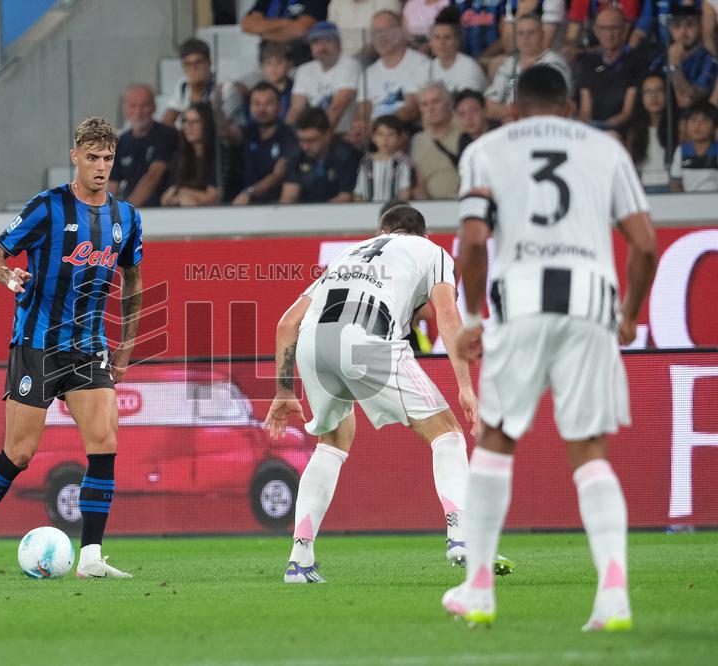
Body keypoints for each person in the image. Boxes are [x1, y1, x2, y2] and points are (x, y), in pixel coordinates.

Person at [445, 65, 657, 631]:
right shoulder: (606, 149)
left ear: (514, 111)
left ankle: (479, 587)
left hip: (520, 304)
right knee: (589, 449)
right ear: (569, 108)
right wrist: (629, 314)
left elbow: (472, 241)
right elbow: (644, 244)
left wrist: (472, 319)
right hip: (591, 305)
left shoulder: (486, 150)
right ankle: (613, 594)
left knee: (496, 439)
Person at [263, 204, 513, 583]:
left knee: (333, 441)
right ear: (423, 234)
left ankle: (299, 560)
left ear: (382, 231)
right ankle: (463, 536)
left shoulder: (348, 254)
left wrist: (284, 390)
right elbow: (447, 314)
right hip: (365, 338)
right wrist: (465, 385)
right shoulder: (432, 251)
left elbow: (287, 323)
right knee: (446, 433)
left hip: (313, 343)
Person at [0, 117, 144, 581]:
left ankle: (91, 556)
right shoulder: (47, 207)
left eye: (107, 158)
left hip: (89, 347)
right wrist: (9, 276)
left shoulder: (127, 218)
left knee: (105, 442)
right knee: (19, 453)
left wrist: (126, 347)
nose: (100, 167)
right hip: (37, 345)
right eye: (91, 157)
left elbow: (132, 284)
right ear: (75, 157)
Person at [352, 10, 431, 143]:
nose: (381, 37)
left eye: (386, 31)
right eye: (376, 33)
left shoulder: (421, 64)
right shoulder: (369, 72)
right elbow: (363, 109)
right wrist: (360, 125)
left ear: (401, 31)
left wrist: (378, 126)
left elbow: (412, 109)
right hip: (373, 135)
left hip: (405, 131)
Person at [485, 14, 572, 123]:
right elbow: (488, 103)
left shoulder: (554, 63)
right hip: (510, 123)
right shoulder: (510, 63)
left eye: (531, 32)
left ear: (542, 35)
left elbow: (545, 107)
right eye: (520, 33)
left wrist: (511, 113)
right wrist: (509, 112)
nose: (525, 38)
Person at [286, 21, 362, 134]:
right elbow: (296, 109)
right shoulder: (304, 70)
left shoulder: (349, 64)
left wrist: (319, 137)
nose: (321, 47)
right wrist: (287, 135)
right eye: (316, 42)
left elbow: (338, 107)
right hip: (314, 134)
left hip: (342, 133)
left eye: (327, 41)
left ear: (339, 43)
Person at [109, 84, 179, 208]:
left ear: (154, 107)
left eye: (144, 106)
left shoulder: (167, 134)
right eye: (133, 106)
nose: (138, 112)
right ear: (124, 109)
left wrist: (127, 211)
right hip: (134, 210)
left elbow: (153, 177)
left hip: (164, 210)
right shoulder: (121, 141)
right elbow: (112, 184)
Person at [231, 83, 298, 204]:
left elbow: (278, 174)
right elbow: (224, 131)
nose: (262, 109)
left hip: (277, 205)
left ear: (280, 106)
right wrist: (217, 105)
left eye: (268, 103)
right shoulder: (248, 132)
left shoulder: (289, 136)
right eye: (257, 104)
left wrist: (249, 192)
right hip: (246, 204)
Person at [280, 107, 362, 203]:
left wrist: (318, 211)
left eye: (311, 140)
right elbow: (289, 196)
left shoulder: (346, 155)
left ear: (327, 135)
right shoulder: (297, 155)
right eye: (301, 140)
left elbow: (345, 198)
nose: (305, 146)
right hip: (304, 209)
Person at [576, 8, 639, 130]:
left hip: (621, 129)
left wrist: (605, 128)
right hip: (593, 128)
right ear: (595, 31)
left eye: (614, 28)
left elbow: (627, 112)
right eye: (603, 28)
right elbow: (585, 109)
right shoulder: (587, 63)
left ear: (624, 29)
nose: (609, 34)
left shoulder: (635, 61)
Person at [162, 38, 243, 128]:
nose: (193, 68)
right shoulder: (183, 84)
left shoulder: (227, 88)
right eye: (188, 64)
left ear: (209, 62)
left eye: (198, 62)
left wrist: (196, 92)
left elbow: (209, 126)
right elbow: (167, 119)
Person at [648, 5, 718, 109]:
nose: (683, 31)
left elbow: (688, 100)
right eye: (677, 25)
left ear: (700, 27)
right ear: (669, 28)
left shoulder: (709, 59)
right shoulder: (660, 57)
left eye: (690, 24)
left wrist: (675, 65)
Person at [625, 73, 682, 192]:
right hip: (643, 190)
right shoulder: (634, 131)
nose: (653, 96)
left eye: (659, 90)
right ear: (641, 97)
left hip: (673, 190)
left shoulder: (680, 127)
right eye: (647, 92)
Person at [160, 103, 219, 207]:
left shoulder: (217, 156)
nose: (188, 126)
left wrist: (182, 193)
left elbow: (214, 196)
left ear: (207, 124)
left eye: (195, 122)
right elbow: (165, 198)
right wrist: (181, 196)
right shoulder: (178, 157)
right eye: (185, 121)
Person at [410, 83, 463, 199]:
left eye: (435, 102)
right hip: (429, 205)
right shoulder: (417, 140)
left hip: (462, 201)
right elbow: (418, 183)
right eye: (424, 104)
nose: (430, 109)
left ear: (449, 104)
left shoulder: (464, 133)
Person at [241, 0, 328, 64]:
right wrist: (286, 23)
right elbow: (246, 25)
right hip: (268, 62)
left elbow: (301, 30)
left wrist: (262, 30)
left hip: (301, 61)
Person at [428, 8, 490, 94]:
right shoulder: (432, 66)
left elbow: (470, 101)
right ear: (430, 42)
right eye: (437, 37)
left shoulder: (469, 67)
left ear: (457, 41)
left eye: (447, 37)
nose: (441, 43)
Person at [354, 115, 414, 202]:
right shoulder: (366, 162)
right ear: (373, 137)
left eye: (391, 134)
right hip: (368, 208)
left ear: (399, 137)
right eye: (380, 134)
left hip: (393, 208)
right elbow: (359, 192)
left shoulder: (402, 162)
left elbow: (405, 191)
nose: (385, 139)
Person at [670, 101, 718, 191]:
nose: (697, 125)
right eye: (693, 120)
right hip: (689, 198)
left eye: (705, 120)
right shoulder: (682, 150)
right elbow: (676, 182)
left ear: (714, 126)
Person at [329, 0, 403, 57]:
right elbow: (330, 36)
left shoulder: (388, 1)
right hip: (341, 61)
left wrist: (356, 60)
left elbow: (386, 39)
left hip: (374, 58)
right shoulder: (336, 2)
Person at [256, 40, 295, 123]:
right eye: (268, 63)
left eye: (279, 62)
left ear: (290, 64)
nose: (273, 67)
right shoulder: (257, 92)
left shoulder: (297, 90)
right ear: (262, 67)